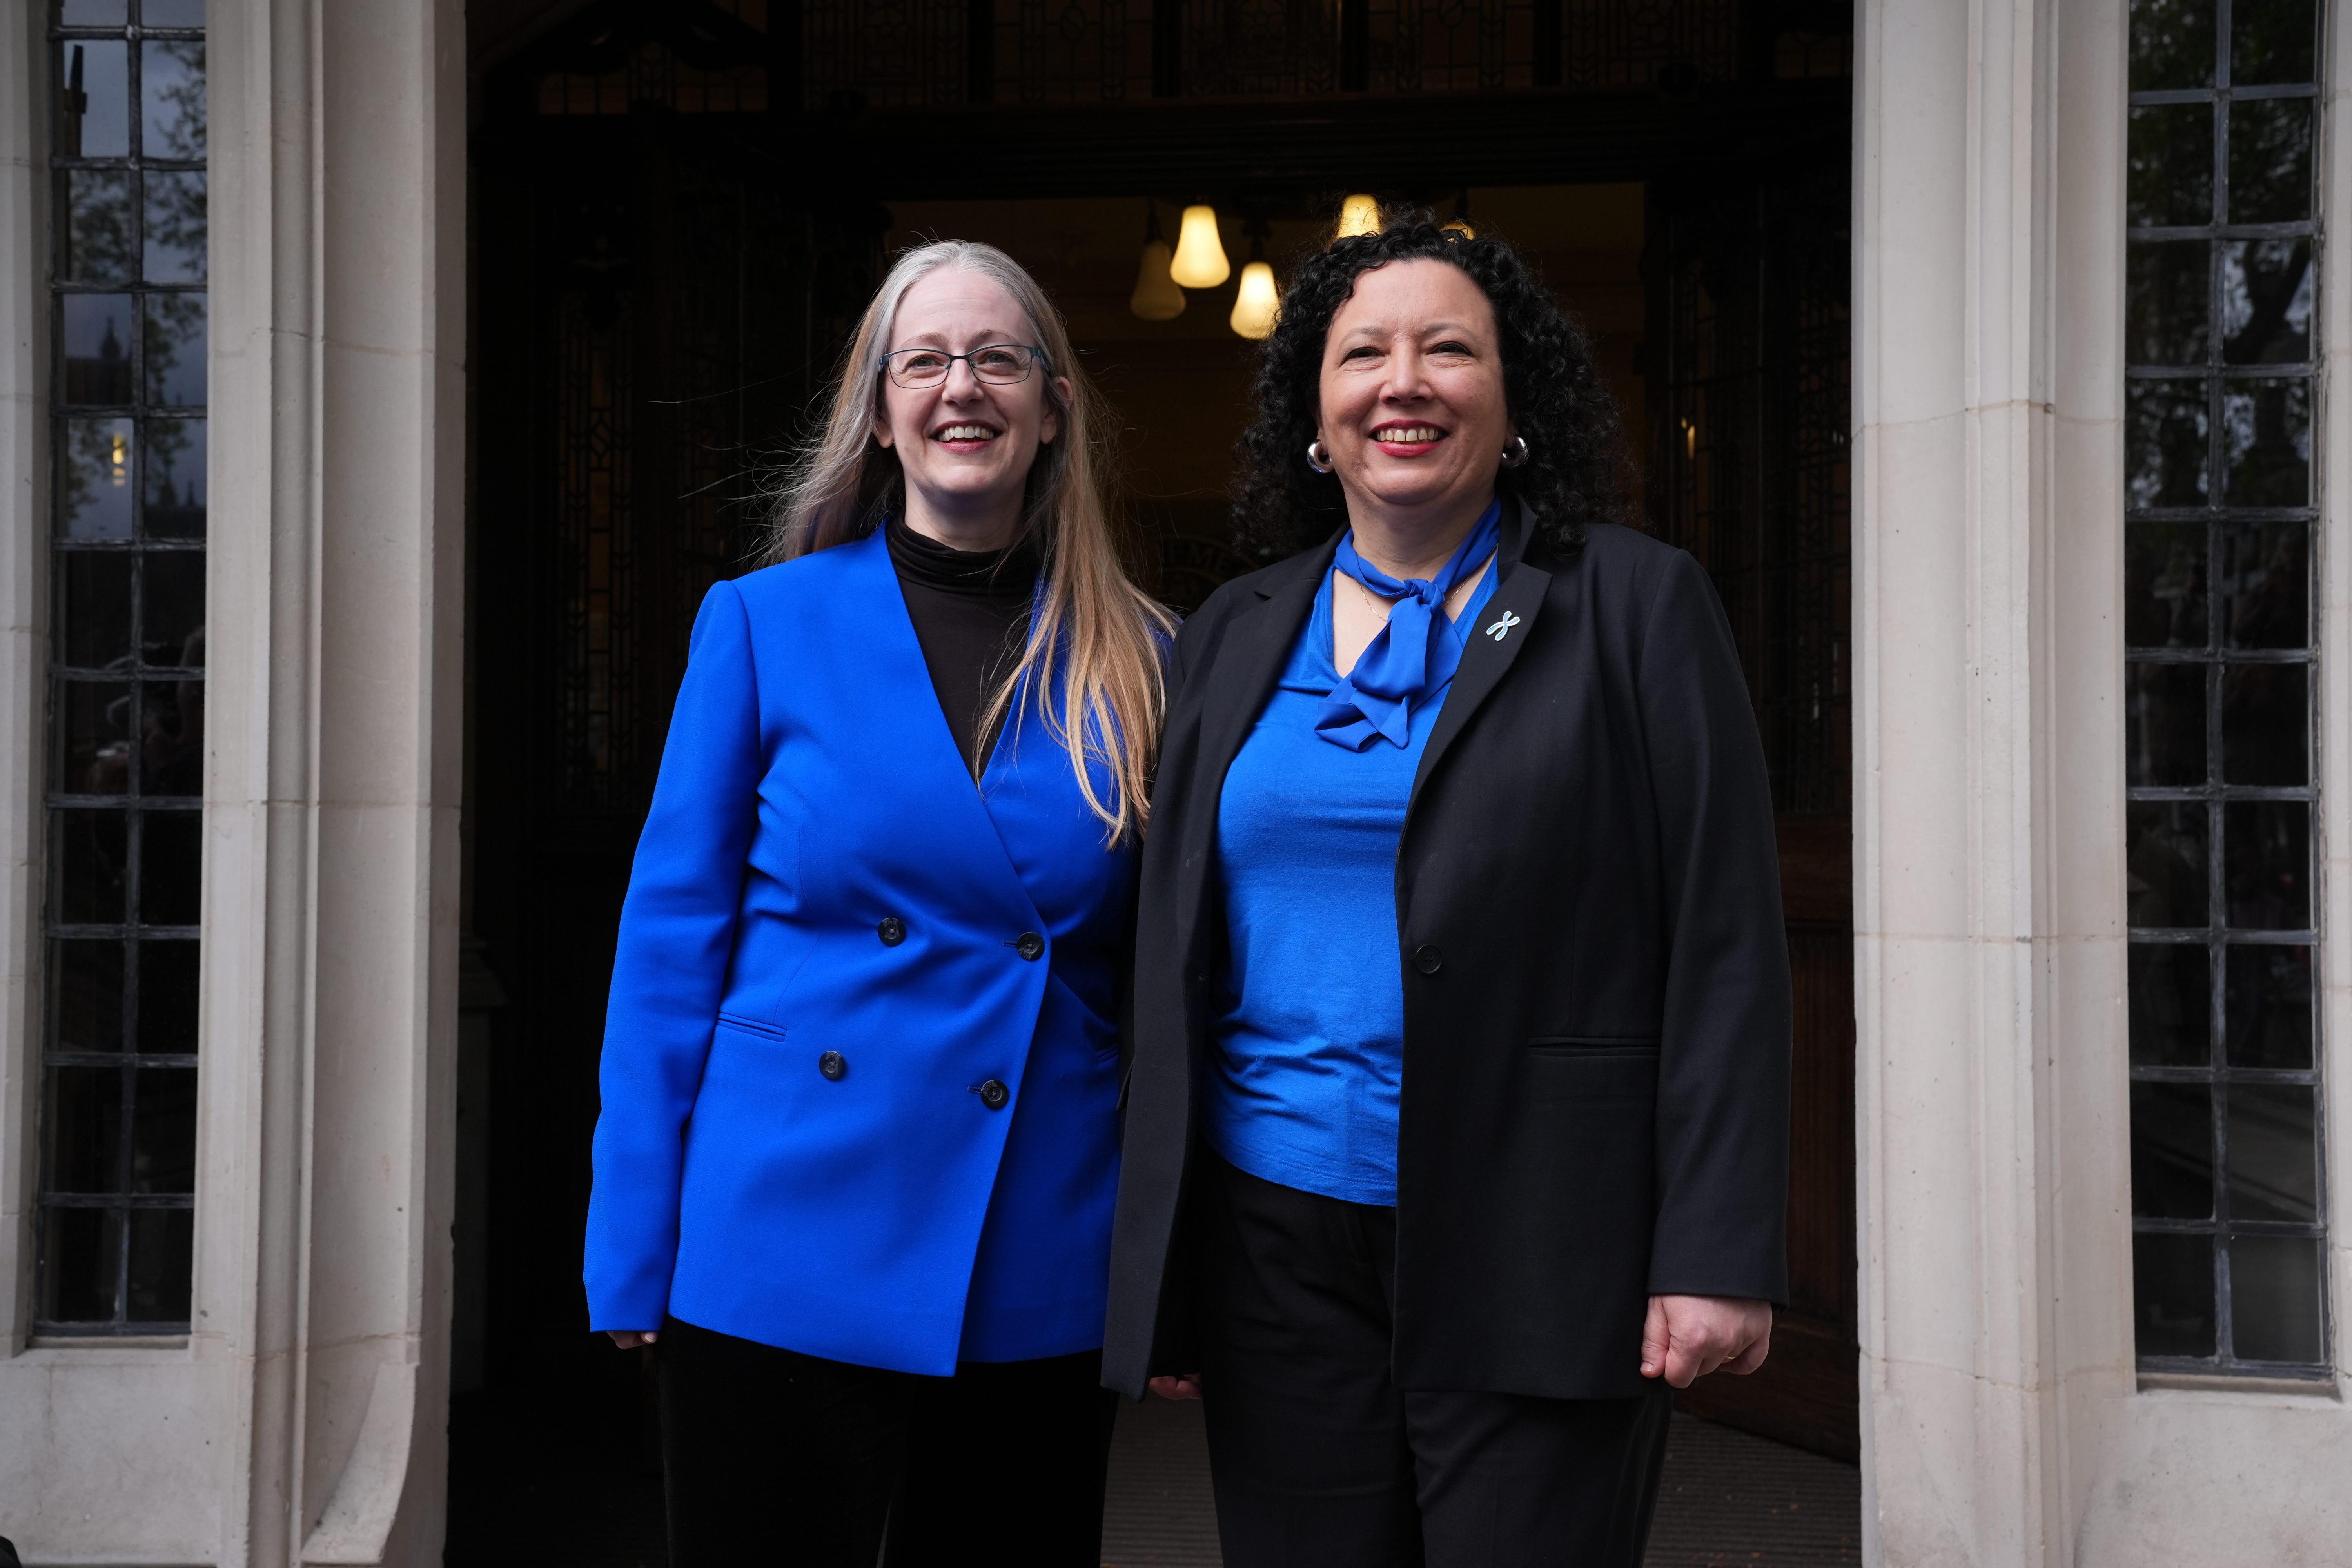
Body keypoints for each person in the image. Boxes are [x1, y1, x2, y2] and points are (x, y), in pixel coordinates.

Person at [1103, 216, 1792, 1567]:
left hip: (1548, 1232)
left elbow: (1726, 941)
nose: (1402, 383)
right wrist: (1166, 1264)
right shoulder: (1234, 628)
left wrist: (1715, 1250)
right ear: (1315, 413)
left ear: (1516, 399)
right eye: (1363, 353)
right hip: (1274, 1241)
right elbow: (1170, 947)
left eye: (1450, 350)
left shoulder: (1640, 606)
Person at [584, 240, 1172, 1566]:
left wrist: (1171, 1272)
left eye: (998, 358)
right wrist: (631, 1236)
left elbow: (1174, 983)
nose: (962, 386)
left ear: (1054, 406)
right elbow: (669, 953)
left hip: (1034, 1238)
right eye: (925, 361)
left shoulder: (1148, 657)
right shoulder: (761, 623)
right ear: (879, 409)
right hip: (776, 1226)